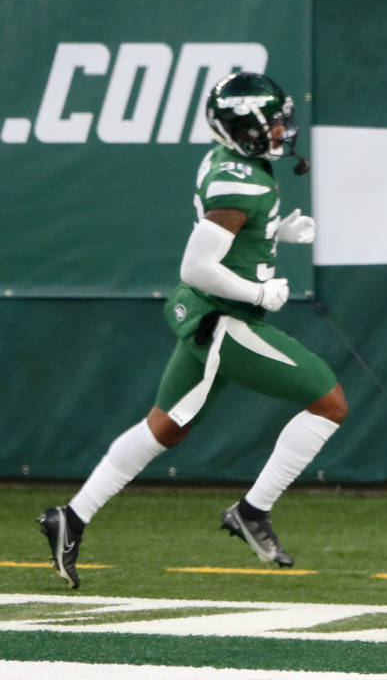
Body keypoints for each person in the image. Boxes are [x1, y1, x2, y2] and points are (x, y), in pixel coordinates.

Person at [37, 72, 347, 588]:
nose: (281, 130)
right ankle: (253, 510)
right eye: (271, 123)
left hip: (209, 312)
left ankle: (70, 516)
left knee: (165, 426)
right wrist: (259, 293)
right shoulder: (239, 181)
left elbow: (228, 232)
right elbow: (197, 266)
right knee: (330, 403)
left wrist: (274, 231)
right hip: (225, 318)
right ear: (242, 129)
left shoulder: (233, 165)